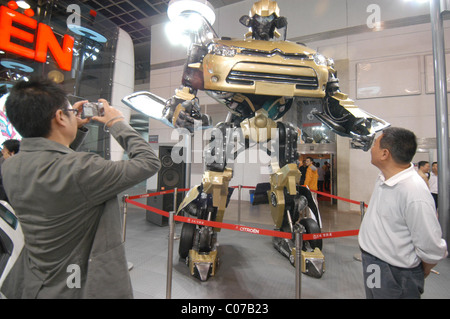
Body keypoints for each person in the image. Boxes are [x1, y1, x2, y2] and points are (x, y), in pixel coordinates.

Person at [0, 78, 161, 299]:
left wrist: (70, 127)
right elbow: (149, 162)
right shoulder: (82, 170)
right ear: (59, 117)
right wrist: (116, 122)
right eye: (67, 111)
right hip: (75, 287)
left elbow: (57, 165)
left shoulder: (10, 166)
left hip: (34, 283)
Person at [358, 127, 447, 299]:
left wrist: (417, 272)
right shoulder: (384, 178)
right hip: (373, 264)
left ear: (385, 154)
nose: (371, 149)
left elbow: (431, 245)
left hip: (394, 273)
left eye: (375, 144)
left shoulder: (413, 191)